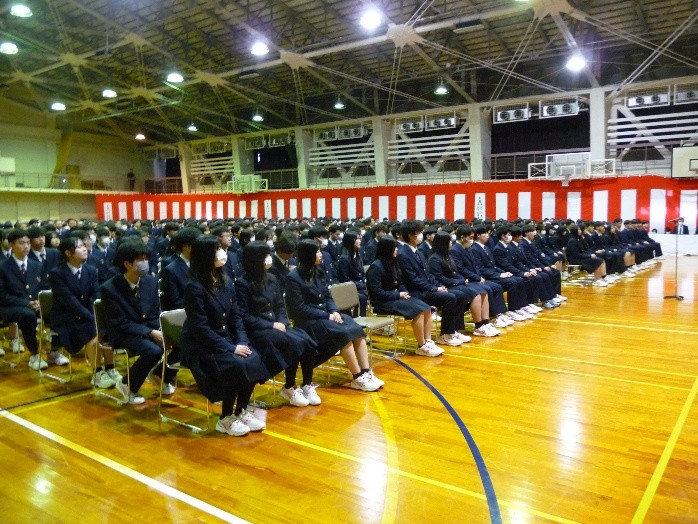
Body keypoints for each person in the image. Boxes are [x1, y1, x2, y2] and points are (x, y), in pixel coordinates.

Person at [180, 236, 268, 436]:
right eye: (217, 249)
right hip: (200, 345)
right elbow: (200, 329)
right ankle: (225, 418)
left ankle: (240, 411)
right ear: (205, 256)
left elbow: (236, 317)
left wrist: (242, 341)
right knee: (236, 365)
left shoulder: (225, 281)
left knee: (253, 357)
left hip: (224, 339)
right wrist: (231, 347)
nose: (222, 252)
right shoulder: (194, 287)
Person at [286, 239, 383, 392]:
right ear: (308, 254)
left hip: (326, 316)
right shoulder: (293, 277)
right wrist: (326, 315)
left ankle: (365, 372)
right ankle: (357, 377)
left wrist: (334, 311)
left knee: (356, 329)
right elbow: (299, 308)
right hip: (308, 322)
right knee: (343, 334)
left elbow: (328, 297)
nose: (321, 254)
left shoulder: (318, 271)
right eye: (317, 252)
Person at [236, 241, 319, 407]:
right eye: (265, 256)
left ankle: (307, 384)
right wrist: (271, 325)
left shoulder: (271, 278)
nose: (269, 258)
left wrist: (282, 321)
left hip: (277, 326)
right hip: (258, 330)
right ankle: (289, 386)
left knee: (308, 342)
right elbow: (244, 316)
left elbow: (280, 306)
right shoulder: (242, 283)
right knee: (293, 344)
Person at [100, 239, 179, 404]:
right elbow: (119, 322)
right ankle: (127, 384)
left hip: (147, 329)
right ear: (127, 264)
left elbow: (154, 312)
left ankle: (160, 375)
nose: (145, 263)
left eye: (146, 258)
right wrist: (151, 333)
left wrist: (160, 331)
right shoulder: (110, 288)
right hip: (123, 333)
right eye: (141, 259)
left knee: (182, 339)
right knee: (153, 351)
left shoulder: (150, 281)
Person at [49, 236, 119, 388]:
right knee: (92, 330)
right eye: (80, 247)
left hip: (87, 313)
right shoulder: (57, 273)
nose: (85, 249)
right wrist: (92, 318)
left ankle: (110, 368)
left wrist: (99, 314)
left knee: (107, 326)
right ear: (68, 253)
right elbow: (69, 301)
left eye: (84, 246)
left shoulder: (90, 270)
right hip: (66, 317)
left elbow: (96, 295)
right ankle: (97, 373)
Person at [366, 236, 442, 356]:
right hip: (383, 302)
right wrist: (398, 294)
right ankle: (421, 346)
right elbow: (377, 292)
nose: (397, 249)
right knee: (418, 311)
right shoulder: (376, 267)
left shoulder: (393, 262)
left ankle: (428, 341)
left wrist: (405, 292)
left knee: (427, 308)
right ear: (386, 249)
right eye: (394, 247)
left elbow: (400, 283)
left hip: (397, 297)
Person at [0, 229, 63, 369]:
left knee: (59, 311)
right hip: (11, 306)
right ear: (12, 245)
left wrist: (41, 302)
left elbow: (44, 287)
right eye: (22, 243)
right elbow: (3, 295)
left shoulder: (36, 265)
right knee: (28, 315)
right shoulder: (3, 267)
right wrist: (27, 303)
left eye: (28, 243)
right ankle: (34, 355)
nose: (26, 246)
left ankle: (54, 351)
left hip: (36, 303)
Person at [396, 221, 464, 347]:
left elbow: (429, 274)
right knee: (450, 297)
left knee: (459, 294)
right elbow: (413, 279)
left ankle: (454, 330)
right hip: (416, 292)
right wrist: (434, 288)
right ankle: (445, 334)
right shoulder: (403, 254)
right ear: (410, 235)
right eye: (419, 232)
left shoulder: (418, 252)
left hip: (426, 288)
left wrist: (438, 286)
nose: (421, 235)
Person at [429, 232, 498, 337]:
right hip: (447, 286)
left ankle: (485, 323)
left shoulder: (447, 255)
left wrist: (462, 279)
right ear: (442, 243)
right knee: (475, 295)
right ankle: (479, 326)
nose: (451, 243)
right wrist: (458, 281)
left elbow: (454, 273)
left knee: (483, 292)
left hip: (455, 283)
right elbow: (439, 278)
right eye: (449, 242)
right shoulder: (434, 258)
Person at [336, 230, 368, 317]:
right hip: (349, 289)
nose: (360, 241)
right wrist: (361, 285)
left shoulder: (357, 255)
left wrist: (364, 282)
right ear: (350, 241)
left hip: (360, 286)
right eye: (357, 239)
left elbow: (362, 274)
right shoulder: (344, 259)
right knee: (362, 297)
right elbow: (345, 280)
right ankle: (359, 318)